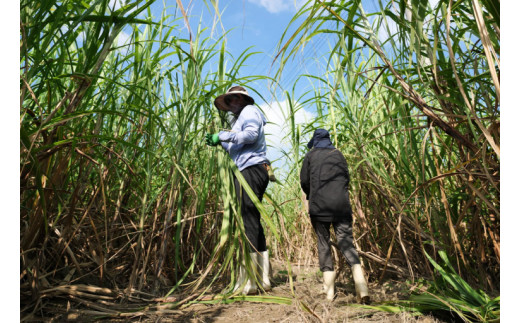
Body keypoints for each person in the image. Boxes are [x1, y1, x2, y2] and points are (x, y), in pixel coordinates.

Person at [205, 86, 271, 295]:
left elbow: (250, 136)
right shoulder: (238, 120)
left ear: (243, 99)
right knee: (252, 220)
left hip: (250, 170)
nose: (232, 102)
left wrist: (222, 135)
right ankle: (263, 279)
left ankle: (250, 282)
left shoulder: (249, 112)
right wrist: (221, 142)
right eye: (229, 100)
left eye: (235, 98)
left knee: (248, 221)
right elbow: (237, 146)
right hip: (250, 169)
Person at [300, 128, 370, 303]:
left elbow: (304, 181)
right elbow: (346, 178)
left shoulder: (310, 156)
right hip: (341, 206)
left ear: (314, 141)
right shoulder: (338, 154)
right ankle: (362, 288)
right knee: (346, 243)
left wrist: (312, 194)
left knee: (323, 243)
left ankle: (329, 292)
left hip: (319, 207)